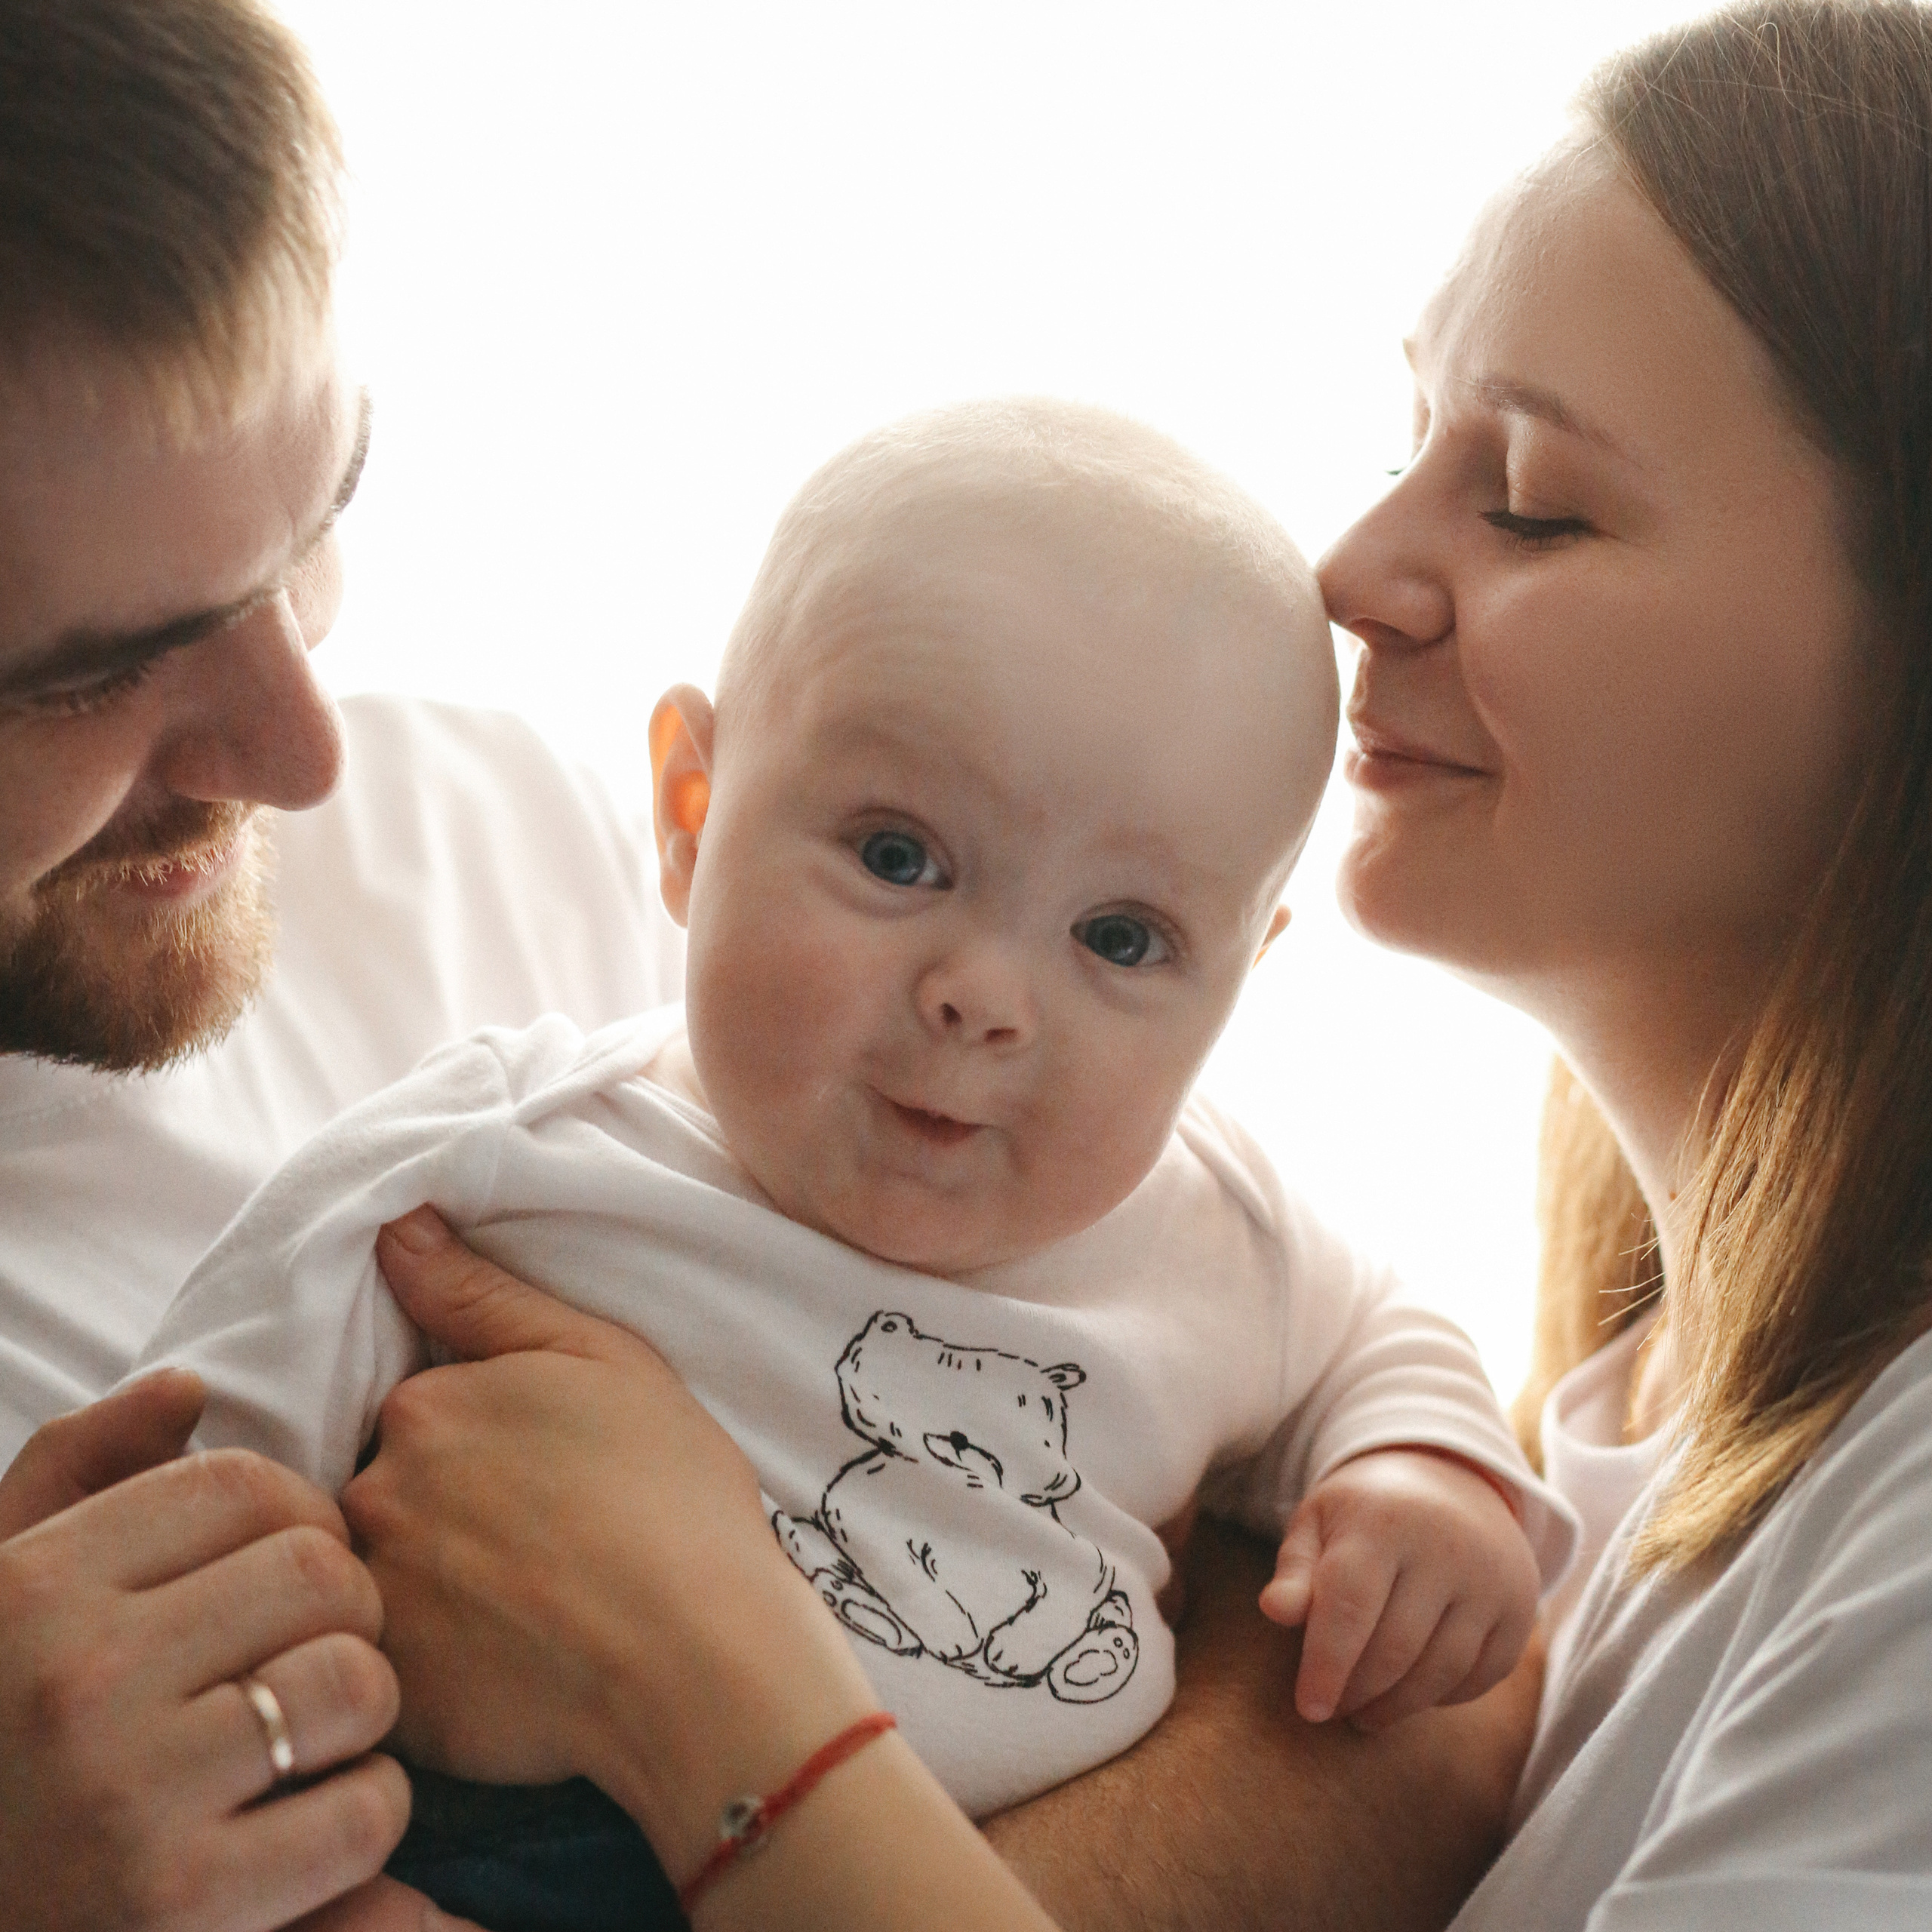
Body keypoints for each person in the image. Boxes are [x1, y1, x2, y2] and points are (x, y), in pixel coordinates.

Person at [331, 0, 1932, 1925]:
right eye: (1409, 439)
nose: (1347, 571)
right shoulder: (1569, 1441)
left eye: (1527, 499)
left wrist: (689, 1666)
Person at [0, 3, 1543, 1928]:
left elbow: (1429, 1713)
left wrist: (1413, 1484)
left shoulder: (513, 830)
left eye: (313, 530)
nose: (303, 752)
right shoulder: (485, 1154)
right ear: (698, 801)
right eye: (87, 669)